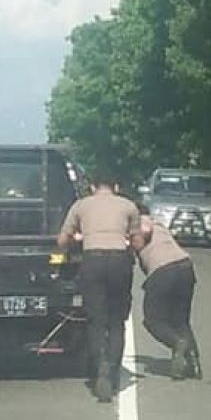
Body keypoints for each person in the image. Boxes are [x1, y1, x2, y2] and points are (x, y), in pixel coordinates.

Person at [57, 172, 144, 402]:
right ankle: (113, 370)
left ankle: (100, 367)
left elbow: (62, 240)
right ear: (115, 186)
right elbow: (137, 242)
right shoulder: (129, 206)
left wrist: (78, 238)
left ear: (92, 187)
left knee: (96, 320)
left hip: (92, 261)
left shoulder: (81, 206)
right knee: (116, 321)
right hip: (119, 262)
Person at [134, 205, 202, 380]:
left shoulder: (136, 227)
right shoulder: (160, 226)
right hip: (185, 266)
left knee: (152, 320)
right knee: (181, 321)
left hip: (162, 271)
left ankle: (177, 343)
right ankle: (194, 364)